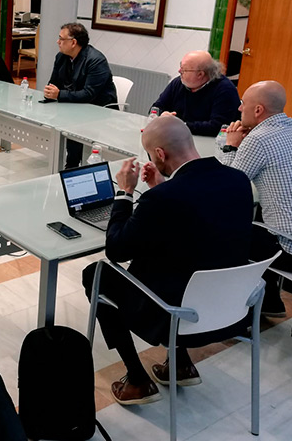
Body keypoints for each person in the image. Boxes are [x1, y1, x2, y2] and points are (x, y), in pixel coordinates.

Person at [82, 116, 253, 405]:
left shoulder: (164, 199)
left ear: (160, 154)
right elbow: (199, 224)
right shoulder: (237, 180)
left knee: (95, 274)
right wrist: (160, 187)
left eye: (151, 154)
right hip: (230, 309)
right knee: (186, 261)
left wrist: (124, 194)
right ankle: (180, 363)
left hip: (173, 315)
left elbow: (117, 250)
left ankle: (136, 379)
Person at [222, 80, 292, 317]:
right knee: (260, 219)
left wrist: (231, 146)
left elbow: (230, 184)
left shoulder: (259, 139)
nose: (239, 109)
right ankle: (270, 302)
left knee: (226, 231)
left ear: (258, 110)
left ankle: (238, 313)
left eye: (243, 104)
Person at [43, 23, 118, 168]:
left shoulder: (96, 60)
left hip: (100, 110)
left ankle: (71, 166)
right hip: (74, 106)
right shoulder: (61, 57)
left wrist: (59, 95)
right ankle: (69, 163)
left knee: (74, 126)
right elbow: (54, 83)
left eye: (61, 39)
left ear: (73, 42)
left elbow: (88, 94)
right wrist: (50, 92)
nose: (58, 42)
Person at [151, 50, 241, 136]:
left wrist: (180, 125)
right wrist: (162, 116)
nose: (179, 71)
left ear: (200, 74)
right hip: (177, 137)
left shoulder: (225, 89)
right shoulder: (178, 82)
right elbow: (155, 108)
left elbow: (217, 126)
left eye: (184, 70)